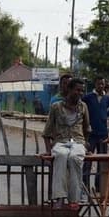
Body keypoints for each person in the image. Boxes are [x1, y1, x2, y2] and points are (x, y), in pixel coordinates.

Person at [43, 78, 90, 209]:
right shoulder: (56, 107)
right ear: (69, 89)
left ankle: (74, 198)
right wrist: (48, 150)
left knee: (74, 158)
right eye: (77, 90)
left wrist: (86, 145)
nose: (80, 93)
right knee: (61, 156)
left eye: (82, 91)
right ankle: (59, 197)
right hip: (60, 141)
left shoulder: (83, 107)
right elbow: (47, 132)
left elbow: (87, 129)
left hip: (78, 142)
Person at [82, 76, 109, 193]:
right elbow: (81, 107)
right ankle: (85, 185)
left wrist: (105, 115)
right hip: (91, 133)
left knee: (102, 160)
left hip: (103, 133)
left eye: (102, 84)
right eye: (99, 84)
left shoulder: (107, 98)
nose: (101, 86)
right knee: (88, 160)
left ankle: (99, 185)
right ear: (95, 84)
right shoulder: (88, 97)